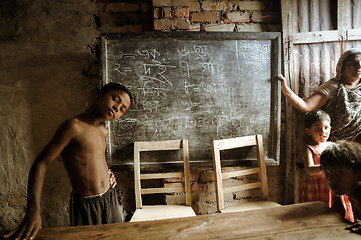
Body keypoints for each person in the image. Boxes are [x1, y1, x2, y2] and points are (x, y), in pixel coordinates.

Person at [3, 82, 132, 240]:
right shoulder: (73, 126)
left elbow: (94, 160)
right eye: (115, 99)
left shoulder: (102, 132)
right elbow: (41, 164)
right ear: (98, 95)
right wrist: (33, 210)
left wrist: (108, 174)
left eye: (122, 109)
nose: (117, 108)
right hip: (87, 205)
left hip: (110, 198)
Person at [278, 49, 361, 142]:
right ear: (342, 67)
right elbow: (305, 106)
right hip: (336, 145)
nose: (359, 66)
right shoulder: (333, 87)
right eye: (353, 64)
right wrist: (284, 88)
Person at [320, 140, 361, 227]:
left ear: (358, 174)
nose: (331, 180)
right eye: (326, 173)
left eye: (339, 173)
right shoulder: (351, 192)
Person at [301, 110, 333, 205]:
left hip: (331, 183)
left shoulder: (333, 146)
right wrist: (327, 167)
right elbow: (309, 170)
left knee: (332, 211)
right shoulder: (309, 149)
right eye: (317, 128)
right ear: (308, 131)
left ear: (330, 129)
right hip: (315, 186)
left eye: (326, 128)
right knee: (314, 212)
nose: (323, 132)